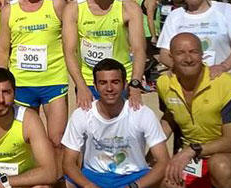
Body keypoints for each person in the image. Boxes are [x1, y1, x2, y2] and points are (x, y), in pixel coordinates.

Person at [0, 0, 69, 180]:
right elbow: (2, 49)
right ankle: (31, 181)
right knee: (25, 141)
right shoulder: (9, 10)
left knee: (56, 140)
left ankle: (56, 181)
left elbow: (71, 43)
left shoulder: (56, 4)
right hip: (22, 85)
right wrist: (0, 83)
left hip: (53, 83)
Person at [158, 33, 231, 188]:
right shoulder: (163, 83)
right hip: (194, 159)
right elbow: (170, 116)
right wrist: (153, 149)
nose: (188, 59)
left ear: (203, 54)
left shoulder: (226, 83)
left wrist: (191, 150)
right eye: (180, 53)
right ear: (171, 57)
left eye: (194, 52)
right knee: (162, 179)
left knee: (220, 165)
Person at [61, 59, 169, 188]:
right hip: (94, 176)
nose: (109, 88)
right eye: (103, 83)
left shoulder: (142, 113)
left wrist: (133, 186)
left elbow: (163, 161)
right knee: (61, 183)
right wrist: (88, 185)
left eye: (115, 82)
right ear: (95, 86)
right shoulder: (82, 114)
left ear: (124, 85)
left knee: (171, 182)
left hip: (134, 176)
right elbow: (68, 163)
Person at [62, 0, 146, 110]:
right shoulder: (73, 8)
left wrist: (135, 83)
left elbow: (139, 49)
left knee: (123, 132)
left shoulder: (130, 7)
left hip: (121, 81)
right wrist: (80, 86)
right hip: (89, 81)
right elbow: (69, 52)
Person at [135, 0, 162, 85]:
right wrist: (154, 36)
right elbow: (150, 18)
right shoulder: (151, 0)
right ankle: (140, 74)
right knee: (159, 57)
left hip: (144, 32)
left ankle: (147, 79)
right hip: (150, 33)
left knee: (149, 57)